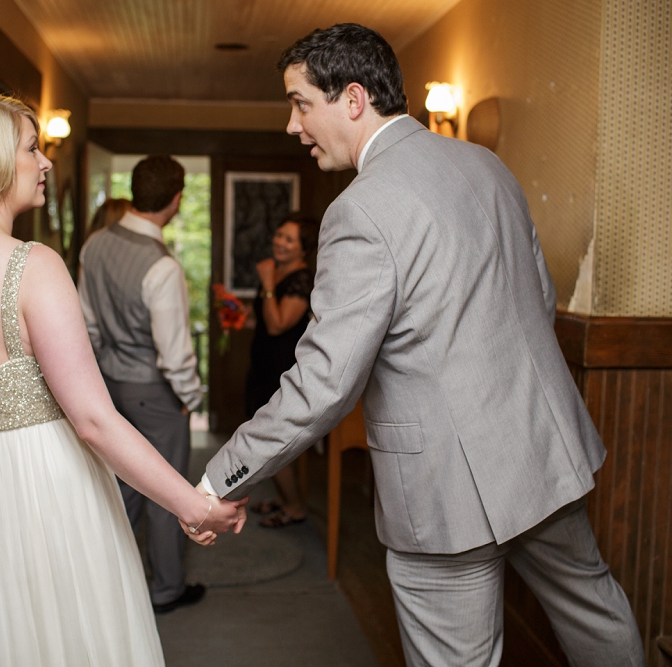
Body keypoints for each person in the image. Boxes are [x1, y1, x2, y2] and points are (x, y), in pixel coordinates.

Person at [197, 24, 645, 667]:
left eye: (300, 103)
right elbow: (539, 300)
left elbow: (324, 384)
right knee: (595, 611)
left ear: (352, 99)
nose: (293, 125)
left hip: (442, 483)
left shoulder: (360, 210)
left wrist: (221, 476)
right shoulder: (487, 165)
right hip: (542, 451)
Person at [0, 90, 245, 667]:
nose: (46, 162)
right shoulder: (32, 266)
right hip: (40, 484)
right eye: (32, 148)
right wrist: (191, 506)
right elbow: (95, 421)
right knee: (65, 638)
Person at [78, 155, 207, 614]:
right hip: (154, 393)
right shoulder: (162, 267)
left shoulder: (94, 245)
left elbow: (87, 326)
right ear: (175, 201)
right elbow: (174, 357)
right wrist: (191, 399)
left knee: (124, 485)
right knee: (169, 491)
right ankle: (167, 589)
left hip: (109, 385)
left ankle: (103, 577)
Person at [244, 214, 317, 528]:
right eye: (279, 235)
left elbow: (278, 325)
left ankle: (295, 508)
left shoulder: (300, 279)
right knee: (265, 435)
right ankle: (285, 499)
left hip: (281, 372)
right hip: (262, 366)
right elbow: (259, 321)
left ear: (304, 248)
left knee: (273, 442)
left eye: (289, 239)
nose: (280, 242)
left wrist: (269, 284)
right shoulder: (277, 272)